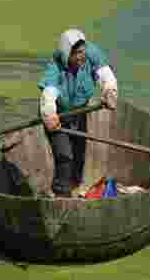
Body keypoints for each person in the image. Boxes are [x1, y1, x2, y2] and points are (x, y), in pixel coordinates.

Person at [38, 28, 118, 197]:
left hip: (81, 112)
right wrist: (49, 115)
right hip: (59, 115)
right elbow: (49, 93)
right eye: (77, 53)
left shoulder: (90, 53)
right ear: (68, 54)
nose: (82, 56)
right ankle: (61, 194)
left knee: (79, 151)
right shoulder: (56, 66)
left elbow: (104, 73)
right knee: (65, 155)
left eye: (83, 52)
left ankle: (74, 187)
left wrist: (110, 91)